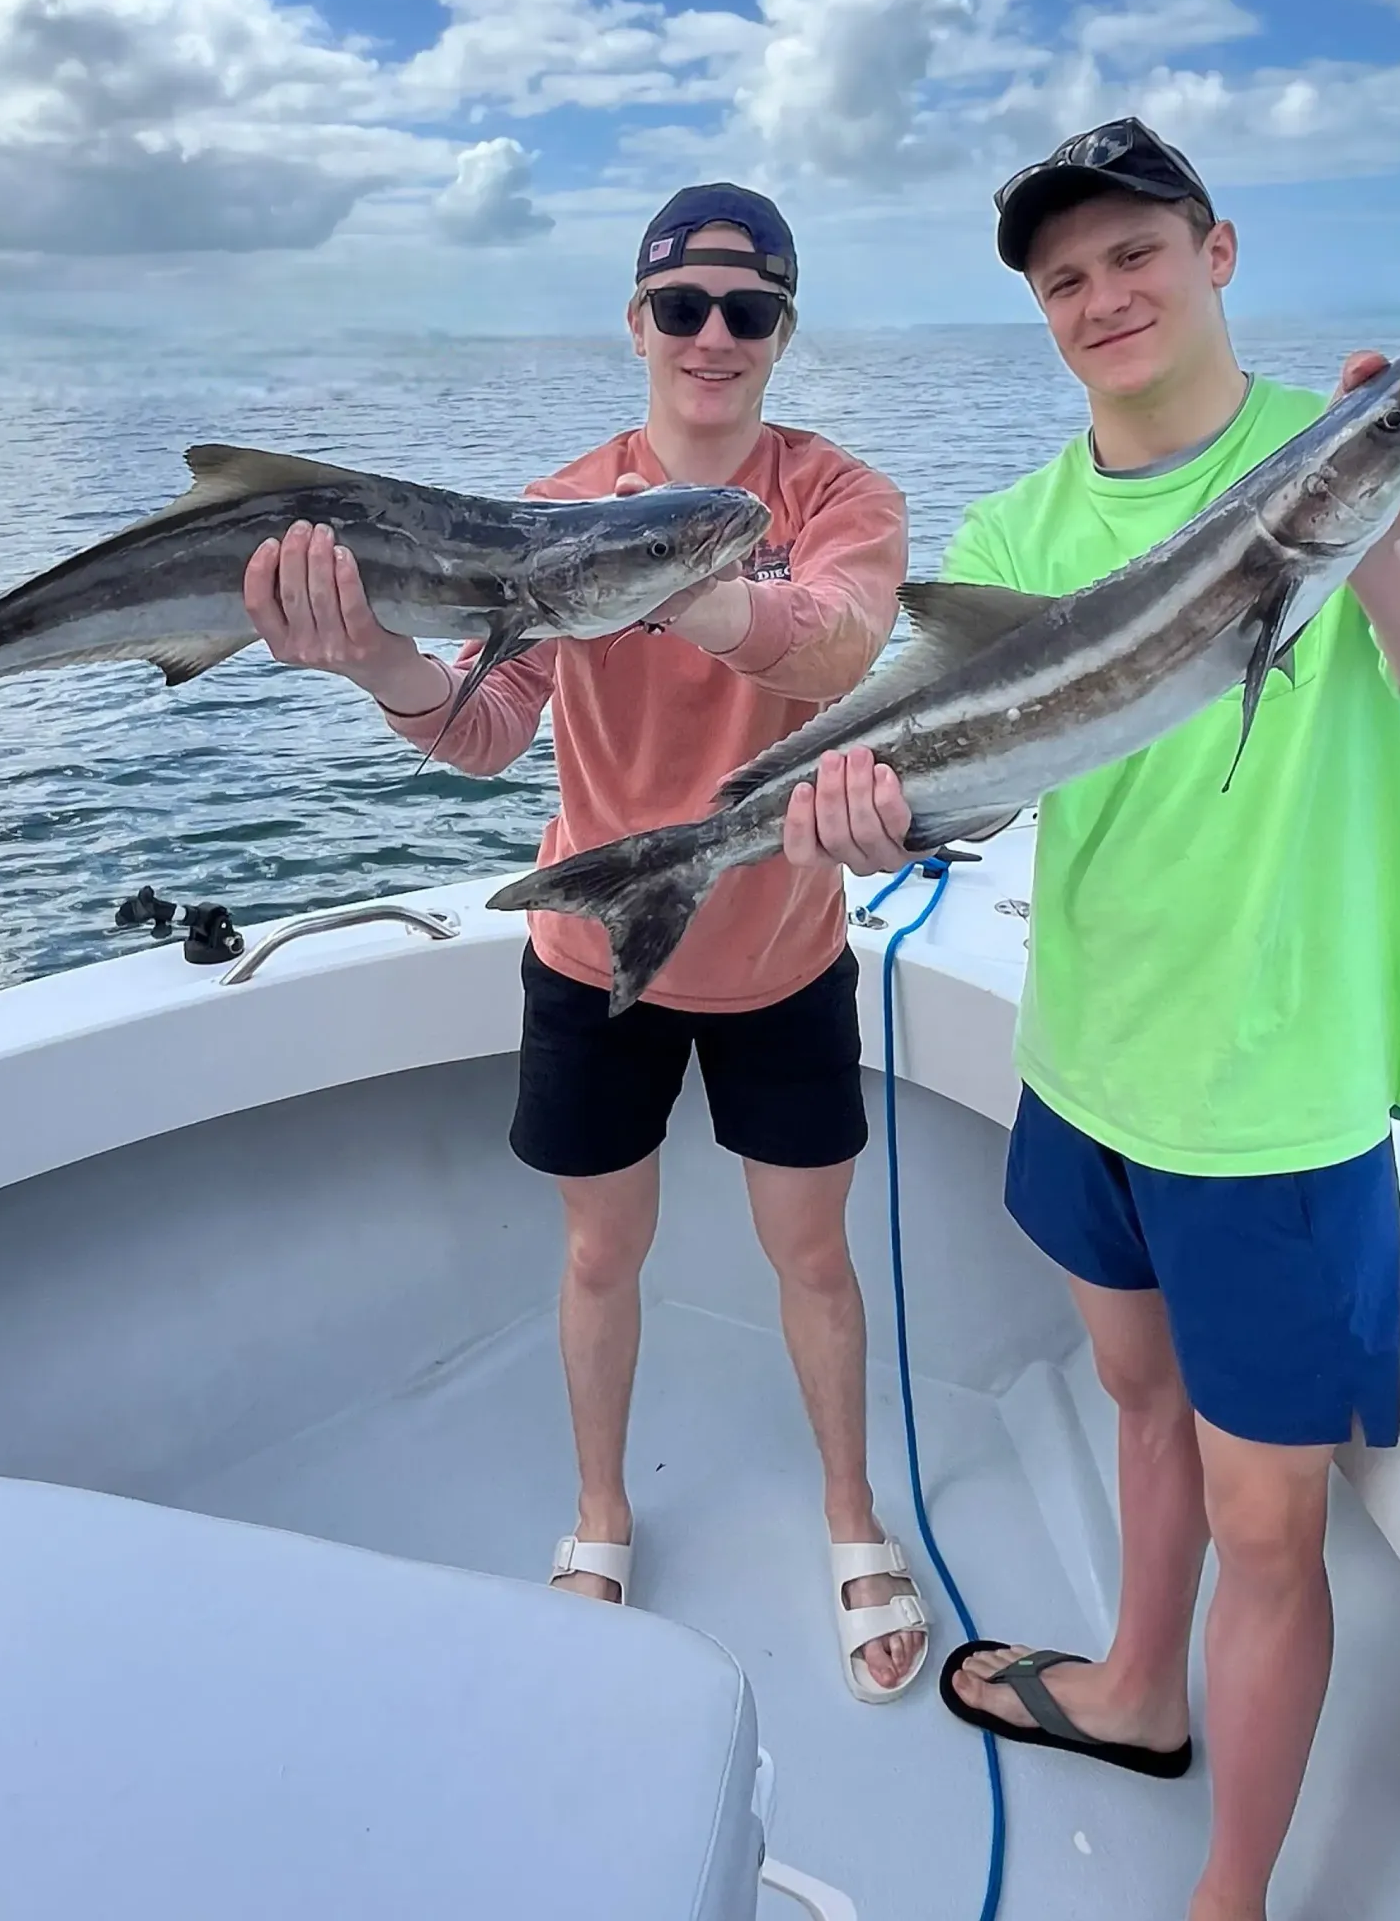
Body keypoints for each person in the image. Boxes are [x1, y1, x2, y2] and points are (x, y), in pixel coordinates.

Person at [782, 118, 1400, 1917]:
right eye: (1064, 278)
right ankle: (1135, 1692)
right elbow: (954, 774)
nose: (1101, 296)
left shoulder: (1368, 469)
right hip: (1088, 1060)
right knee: (1133, 1393)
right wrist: (870, 811)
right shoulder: (1016, 532)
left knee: (1274, 1527)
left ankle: (1229, 1896)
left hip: (1275, 1108)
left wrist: (1376, 527)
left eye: (1134, 253)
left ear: (1217, 251)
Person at [242, 184, 932, 1702]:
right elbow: (489, 731)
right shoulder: (549, 512)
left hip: (783, 952)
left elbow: (837, 650)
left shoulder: (838, 498)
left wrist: (669, 579)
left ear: (782, 335)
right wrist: (372, 656)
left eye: (747, 312)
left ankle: (850, 1512)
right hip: (591, 950)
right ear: (636, 321)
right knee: (600, 1254)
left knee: (809, 1254)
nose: (711, 336)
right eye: (681, 305)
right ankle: (602, 1511)